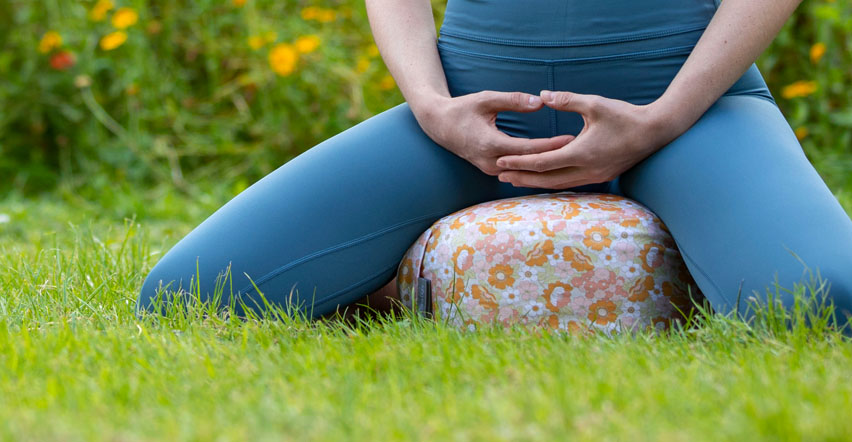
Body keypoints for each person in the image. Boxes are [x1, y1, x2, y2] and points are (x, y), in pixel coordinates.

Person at [136, 0, 852, 327]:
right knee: (189, 293)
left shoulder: (682, 115)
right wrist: (431, 106)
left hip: (689, 115)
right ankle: (411, 282)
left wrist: (663, 118)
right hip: (468, 119)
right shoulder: (446, 117)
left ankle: (694, 268)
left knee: (827, 303)